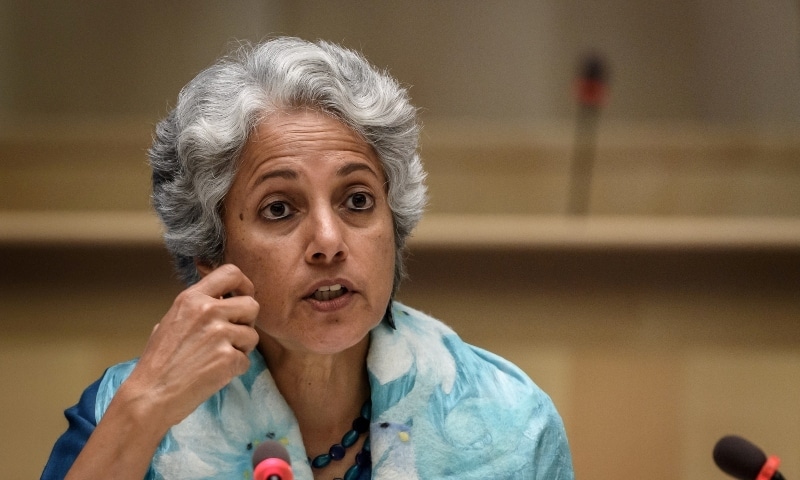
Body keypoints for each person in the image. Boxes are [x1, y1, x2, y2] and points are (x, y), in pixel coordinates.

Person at [41, 37, 574, 480]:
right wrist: (143, 410)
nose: (328, 240)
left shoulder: (511, 425)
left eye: (357, 200)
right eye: (279, 209)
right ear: (209, 252)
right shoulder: (124, 412)